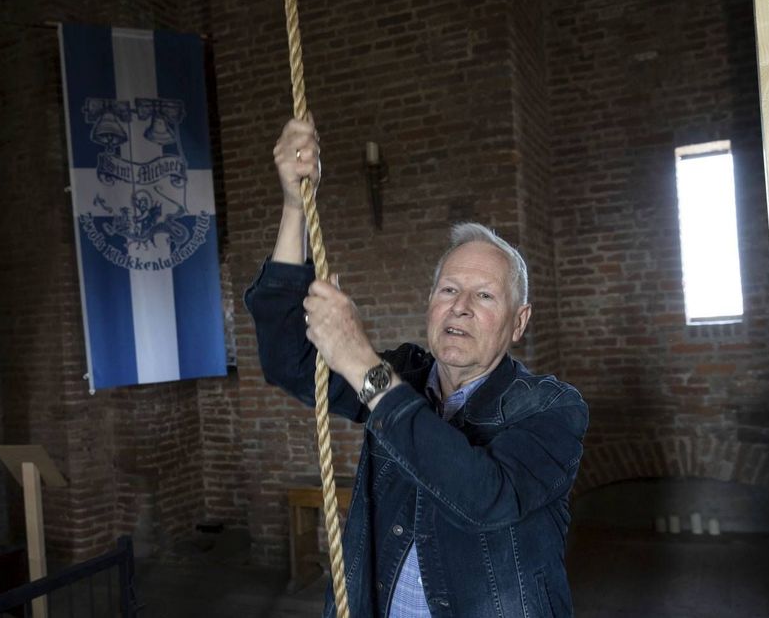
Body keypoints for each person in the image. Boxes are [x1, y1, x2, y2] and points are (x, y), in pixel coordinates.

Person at [244, 118, 589, 617]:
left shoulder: (553, 408)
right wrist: (296, 207)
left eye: (485, 295)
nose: (461, 306)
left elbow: (483, 497)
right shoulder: (404, 374)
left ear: (519, 322)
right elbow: (288, 362)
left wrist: (362, 364)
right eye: (449, 290)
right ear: (430, 304)